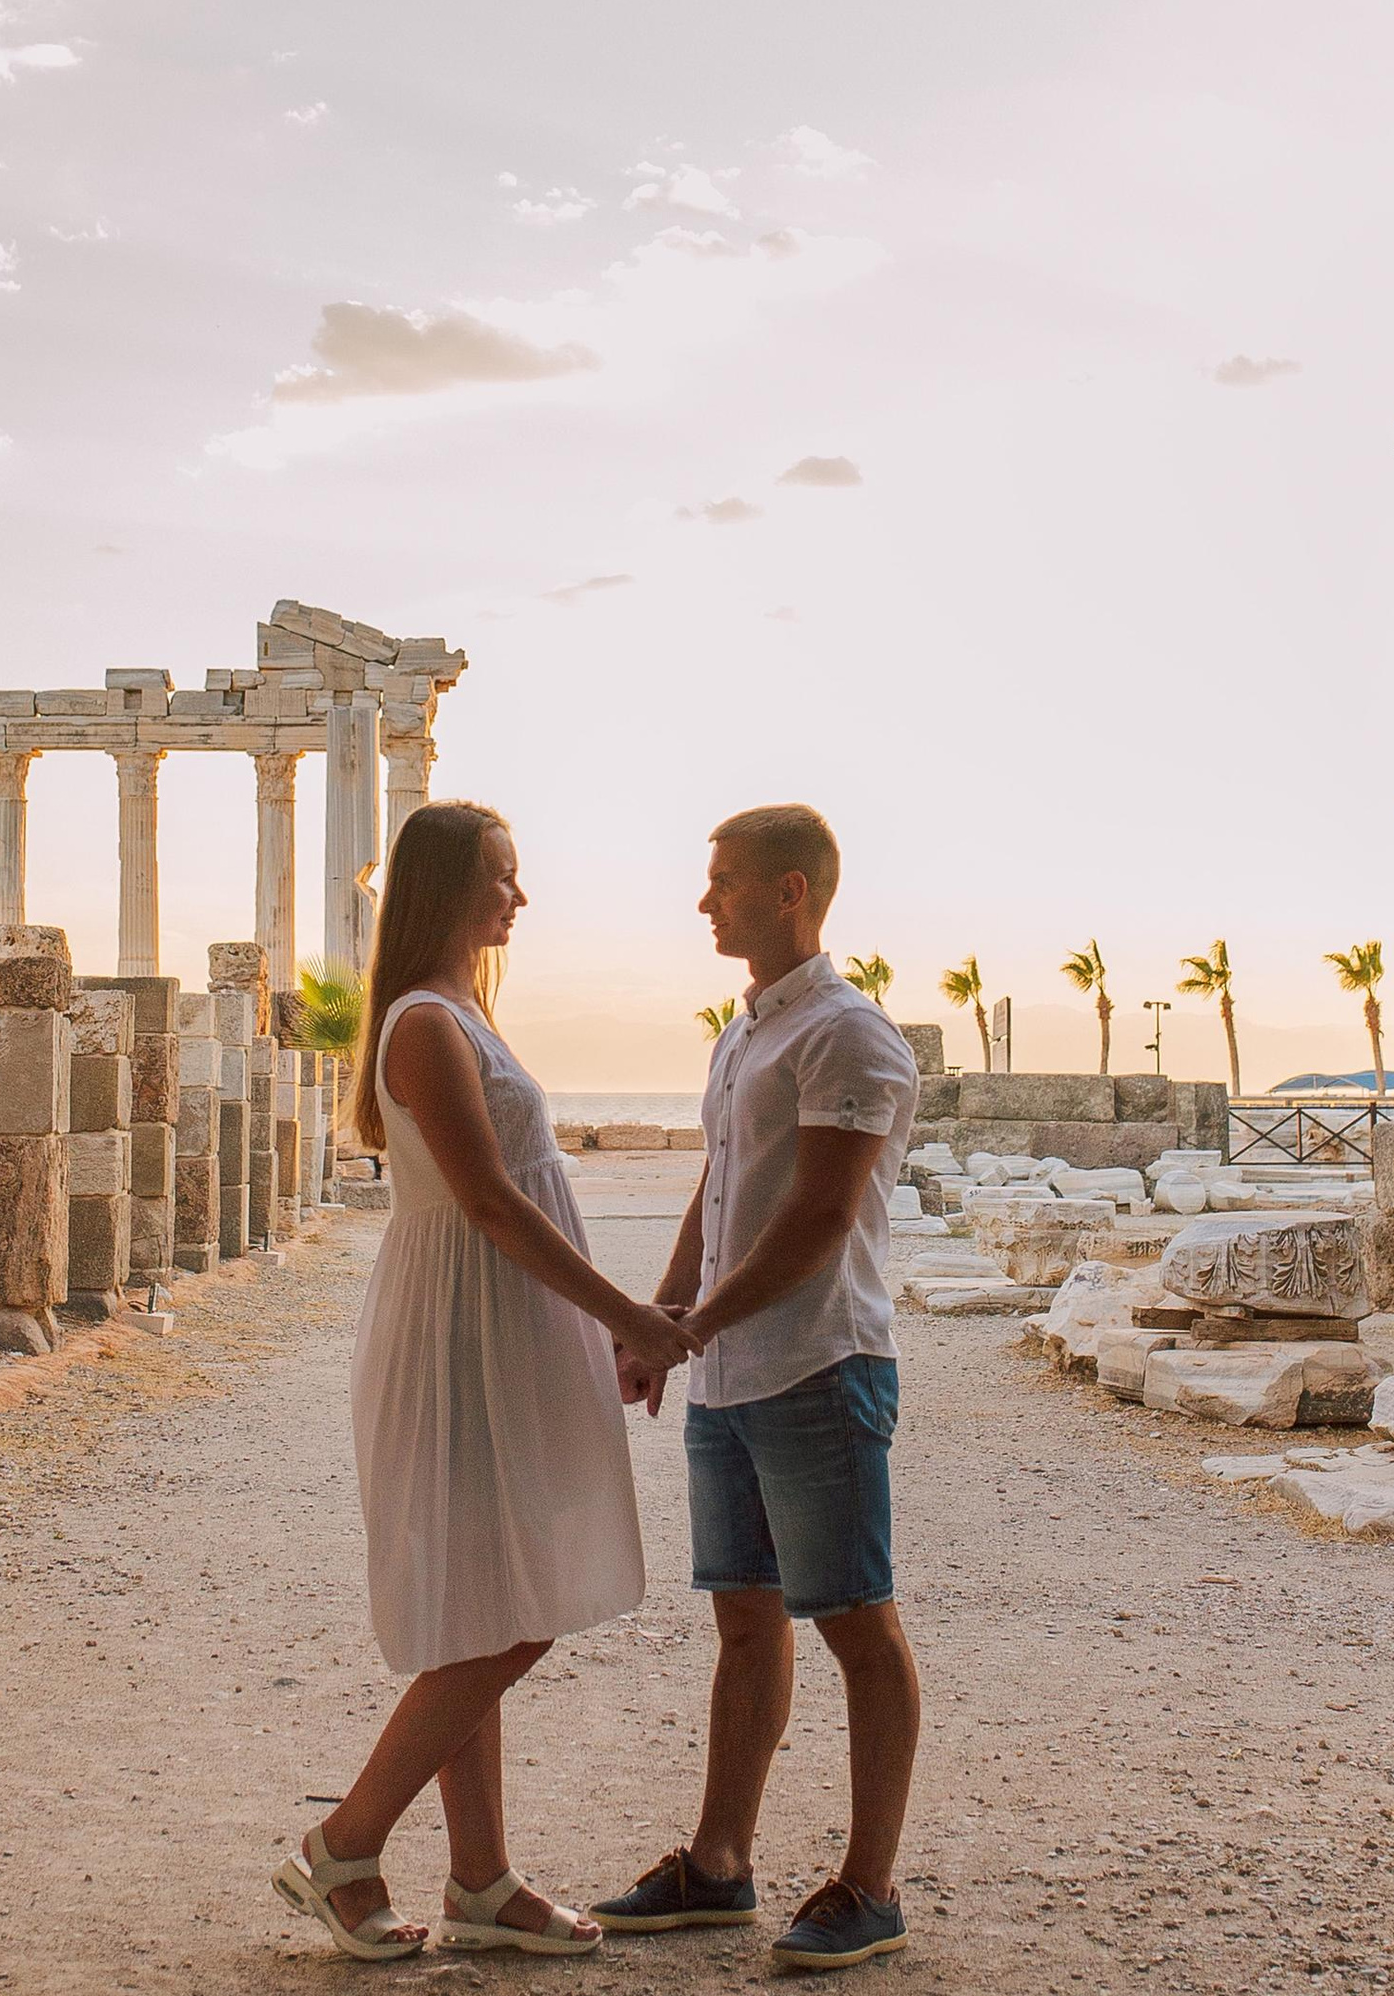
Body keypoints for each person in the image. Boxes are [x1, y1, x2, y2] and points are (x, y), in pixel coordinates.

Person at [273, 800, 696, 1961]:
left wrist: (598, 1325)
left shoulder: (461, 1010)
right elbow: (492, 1204)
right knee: (515, 1608)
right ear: (449, 887)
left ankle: (480, 1879)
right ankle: (343, 1843)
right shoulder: (421, 1021)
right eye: (504, 877)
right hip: (461, 1329)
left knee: (487, 1593)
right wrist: (627, 1318)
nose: (521, 896)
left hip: (499, 1323)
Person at [595, 803, 923, 1972]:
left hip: (819, 1363)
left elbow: (817, 1222)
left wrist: (685, 1327)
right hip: (731, 1370)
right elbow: (720, 1191)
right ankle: (719, 1862)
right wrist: (663, 1314)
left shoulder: (849, 1035)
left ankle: (869, 1884)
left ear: (790, 891)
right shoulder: (744, 1035)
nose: (705, 900)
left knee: (854, 1618)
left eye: (723, 881)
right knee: (743, 1616)